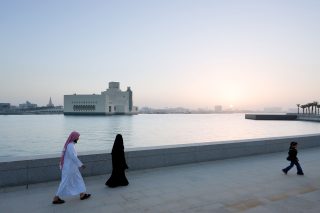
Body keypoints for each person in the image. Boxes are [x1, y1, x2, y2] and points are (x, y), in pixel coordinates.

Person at [52, 131, 91, 204]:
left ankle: (82, 194)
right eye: (77, 137)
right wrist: (81, 164)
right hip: (69, 168)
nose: (78, 138)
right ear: (74, 138)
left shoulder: (71, 145)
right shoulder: (70, 146)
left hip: (72, 168)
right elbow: (73, 157)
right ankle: (55, 198)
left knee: (78, 179)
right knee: (64, 182)